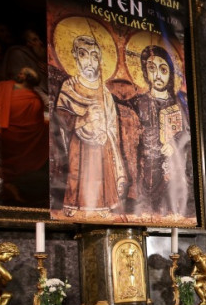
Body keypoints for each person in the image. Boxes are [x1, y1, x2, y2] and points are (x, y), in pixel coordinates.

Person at [53, 35, 127, 220]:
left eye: (94, 56)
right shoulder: (69, 86)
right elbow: (60, 114)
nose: (90, 61)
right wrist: (83, 118)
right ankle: (72, 204)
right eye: (83, 54)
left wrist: (105, 133)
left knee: (101, 172)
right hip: (79, 141)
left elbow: (112, 120)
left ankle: (103, 204)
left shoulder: (104, 91)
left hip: (101, 141)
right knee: (77, 171)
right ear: (75, 56)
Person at [122, 45, 193, 218]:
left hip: (169, 165)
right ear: (145, 72)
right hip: (144, 163)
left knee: (167, 202)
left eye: (163, 70)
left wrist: (174, 144)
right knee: (143, 201)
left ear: (170, 73)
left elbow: (187, 132)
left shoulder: (179, 104)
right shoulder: (138, 102)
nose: (158, 75)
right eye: (152, 69)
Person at [0, 66, 49, 207]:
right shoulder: (35, 100)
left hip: (0, 133)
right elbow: (34, 127)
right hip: (18, 141)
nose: (19, 74)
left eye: (22, 73)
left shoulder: (3, 87)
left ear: (24, 77)